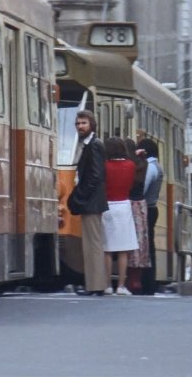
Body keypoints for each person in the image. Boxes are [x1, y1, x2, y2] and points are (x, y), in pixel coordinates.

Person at [67, 111, 109, 296]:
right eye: (77, 123)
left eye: (83, 123)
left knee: (93, 244)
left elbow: (96, 175)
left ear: (92, 124)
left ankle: (96, 285)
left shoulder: (94, 145)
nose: (80, 126)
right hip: (92, 201)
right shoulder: (89, 144)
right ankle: (93, 285)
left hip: (91, 201)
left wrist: (80, 195)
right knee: (91, 244)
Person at [101, 137, 139, 295]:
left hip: (107, 206)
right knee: (123, 250)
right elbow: (131, 185)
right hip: (124, 205)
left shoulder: (105, 166)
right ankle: (121, 286)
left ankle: (108, 284)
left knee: (107, 249)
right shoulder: (131, 165)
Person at [124, 139, 150, 294]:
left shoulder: (126, 166)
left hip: (127, 204)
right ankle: (136, 279)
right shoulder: (142, 165)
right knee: (140, 242)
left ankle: (127, 279)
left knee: (125, 242)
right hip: (140, 205)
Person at [137, 138, 162, 295]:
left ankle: (146, 283)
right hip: (152, 208)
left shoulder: (151, 168)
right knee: (149, 246)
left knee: (146, 247)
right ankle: (148, 282)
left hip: (147, 208)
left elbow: (142, 188)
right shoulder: (156, 166)